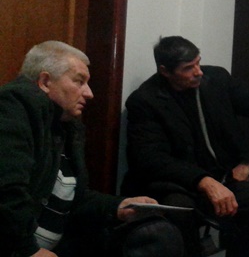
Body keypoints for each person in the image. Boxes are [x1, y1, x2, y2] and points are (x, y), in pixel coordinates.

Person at [0, 41, 179, 257]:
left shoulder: (66, 127)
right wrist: (27, 250)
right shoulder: (12, 108)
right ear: (45, 81)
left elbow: (76, 199)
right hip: (18, 249)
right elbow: (7, 189)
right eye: (79, 81)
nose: (90, 93)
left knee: (156, 233)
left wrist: (119, 206)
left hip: (58, 245)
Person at [123, 36, 249, 257]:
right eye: (188, 68)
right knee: (180, 213)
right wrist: (203, 181)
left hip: (226, 177)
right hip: (179, 185)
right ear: (165, 71)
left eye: (198, 63)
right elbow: (151, 158)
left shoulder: (217, 79)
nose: (198, 72)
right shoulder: (145, 100)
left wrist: (247, 161)